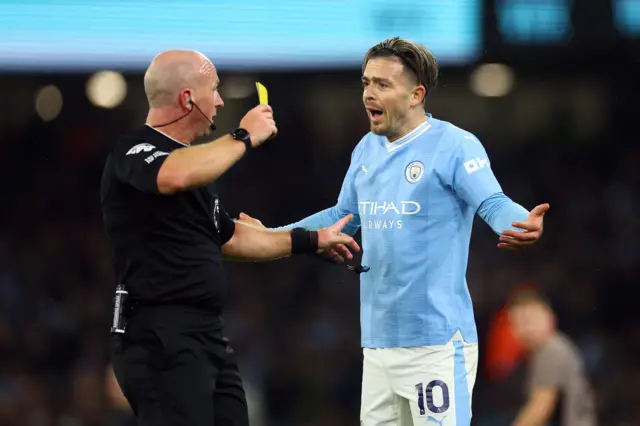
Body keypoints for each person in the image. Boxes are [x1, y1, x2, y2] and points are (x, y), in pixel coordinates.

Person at [237, 37, 549, 426]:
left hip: (435, 344)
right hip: (379, 345)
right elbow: (343, 216)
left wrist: (521, 223)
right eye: (366, 83)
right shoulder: (366, 149)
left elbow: (493, 202)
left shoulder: (454, 145)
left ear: (416, 93)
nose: (369, 93)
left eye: (382, 84)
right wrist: (271, 233)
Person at [100, 49, 359, 426]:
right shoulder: (135, 151)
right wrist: (243, 136)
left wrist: (310, 239)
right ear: (188, 98)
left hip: (205, 335)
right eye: (214, 90)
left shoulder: (197, 173)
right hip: (159, 336)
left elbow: (232, 239)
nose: (220, 100)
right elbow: (173, 175)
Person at [507, 290, 597, 426]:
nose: (526, 329)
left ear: (549, 317)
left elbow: (541, 407)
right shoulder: (550, 350)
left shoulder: (551, 351)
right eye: (518, 323)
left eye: (530, 320)